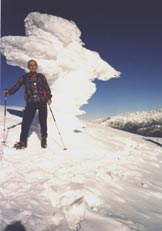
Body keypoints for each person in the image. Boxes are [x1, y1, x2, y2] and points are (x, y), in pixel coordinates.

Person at [4, 60, 52, 149]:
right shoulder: (24, 77)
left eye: (34, 65)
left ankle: (44, 138)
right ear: (28, 67)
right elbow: (17, 86)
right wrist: (9, 92)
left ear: (36, 66)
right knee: (26, 122)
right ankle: (23, 141)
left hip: (42, 101)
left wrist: (49, 98)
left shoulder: (41, 77)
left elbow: (47, 87)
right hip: (31, 102)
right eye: (30, 65)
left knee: (43, 122)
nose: (32, 66)